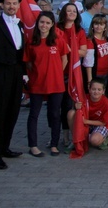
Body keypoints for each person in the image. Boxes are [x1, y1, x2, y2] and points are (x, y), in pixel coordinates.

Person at [0, 0, 27, 169]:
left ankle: (5, 147)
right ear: (2, 4)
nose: (11, 6)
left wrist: (24, 73)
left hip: (16, 74)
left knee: (12, 112)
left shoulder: (20, 24)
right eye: (8, 3)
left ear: (18, 5)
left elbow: (22, 51)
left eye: (14, 3)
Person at [24, 11, 69, 157]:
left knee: (55, 114)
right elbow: (29, 63)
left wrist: (54, 74)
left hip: (56, 84)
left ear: (52, 25)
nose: (44, 25)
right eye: (42, 22)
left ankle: (54, 144)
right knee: (34, 114)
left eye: (48, 23)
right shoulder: (31, 41)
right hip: (37, 84)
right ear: (38, 24)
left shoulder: (58, 40)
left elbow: (64, 60)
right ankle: (33, 145)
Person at [56, 2, 88, 146]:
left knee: (69, 105)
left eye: (74, 11)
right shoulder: (56, 29)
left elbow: (83, 51)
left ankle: (67, 135)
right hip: (57, 71)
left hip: (72, 73)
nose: (72, 13)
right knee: (56, 106)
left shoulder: (79, 31)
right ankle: (56, 134)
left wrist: (69, 50)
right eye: (69, 11)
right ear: (64, 13)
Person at [67, 78, 108, 151]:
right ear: (89, 89)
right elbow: (77, 112)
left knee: (94, 140)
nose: (96, 92)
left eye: (99, 90)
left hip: (101, 124)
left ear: (103, 91)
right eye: (93, 89)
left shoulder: (106, 103)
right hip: (87, 122)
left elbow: (103, 122)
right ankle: (76, 139)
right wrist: (76, 106)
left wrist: (85, 121)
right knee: (71, 113)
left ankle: (105, 138)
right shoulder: (84, 98)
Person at [84, 15, 108, 90]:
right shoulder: (90, 41)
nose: (98, 26)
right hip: (96, 75)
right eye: (96, 24)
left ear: (105, 27)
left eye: (101, 24)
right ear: (92, 26)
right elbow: (88, 62)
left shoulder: (106, 38)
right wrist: (90, 80)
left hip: (107, 73)